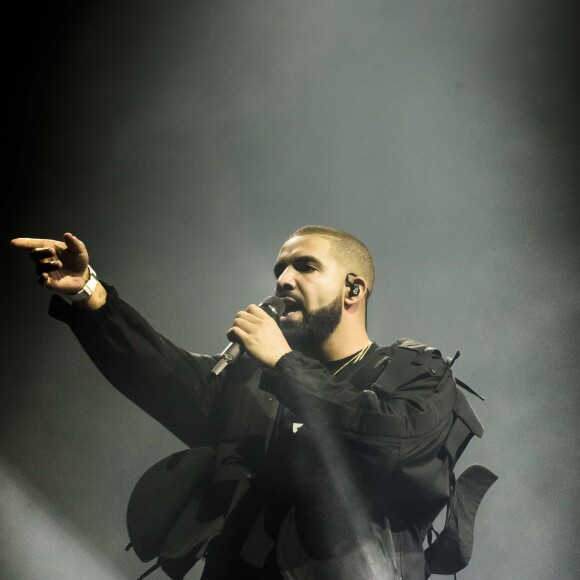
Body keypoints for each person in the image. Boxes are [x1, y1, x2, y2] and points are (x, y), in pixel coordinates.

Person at [11, 226, 496, 580]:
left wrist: (286, 365)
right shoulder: (254, 381)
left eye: (304, 266)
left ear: (353, 288)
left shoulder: (416, 373)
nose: (283, 280)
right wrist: (91, 296)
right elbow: (164, 373)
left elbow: (394, 441)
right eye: (279, 269)